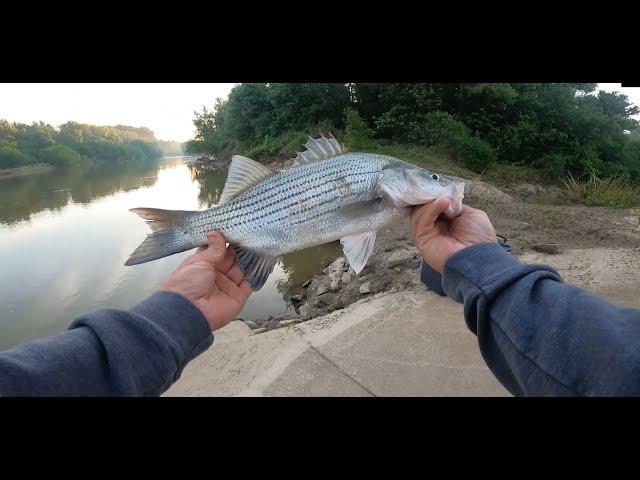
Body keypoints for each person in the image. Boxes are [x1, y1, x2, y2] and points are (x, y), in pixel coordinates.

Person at [1, 199, 639, 396]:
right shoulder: (373, 186)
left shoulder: (381, 202)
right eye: (434, 184)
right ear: (393, 183)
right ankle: (183, 229)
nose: (444, 191)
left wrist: (170, 312)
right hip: (254, 224)